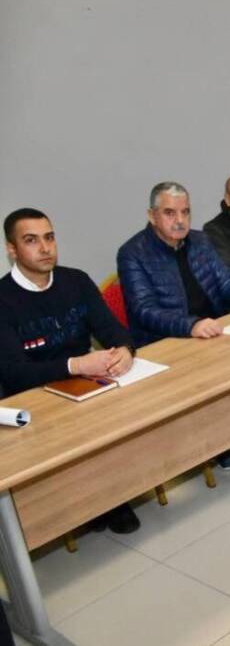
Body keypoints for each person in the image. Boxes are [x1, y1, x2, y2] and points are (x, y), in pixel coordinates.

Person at [1, 208, 140, 534]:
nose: (45, 248)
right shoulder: (3, 299)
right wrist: (74, 365)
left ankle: (114, 497)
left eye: (49, 238)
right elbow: (12, 373)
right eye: (31, 240)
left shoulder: (75, 280)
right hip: (33, 398)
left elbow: (114, 330)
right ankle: (82, 506)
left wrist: (124, 350)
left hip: (86, 386)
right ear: (12, 249)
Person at [117, 182, 230, 348]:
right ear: (152, 216)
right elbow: (145, 310)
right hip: (168, 342)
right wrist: (191, 325)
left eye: (185, 212)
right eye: (169, 213)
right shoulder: (132, 253)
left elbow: (226, 279)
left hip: (213, 331)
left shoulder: (200, 240)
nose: (180, 220)